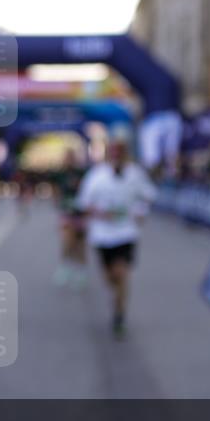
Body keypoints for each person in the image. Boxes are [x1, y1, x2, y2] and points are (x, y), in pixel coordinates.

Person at [75, 137, 156, 338]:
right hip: (102, 235)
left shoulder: (135, 174)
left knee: (121, 273)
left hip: (126, 233)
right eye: (113, 151)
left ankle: (119, 314)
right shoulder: (96, 175)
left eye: (120, 151)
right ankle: (117, 297)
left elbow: (149, 195)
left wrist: (140, 211)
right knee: (110, 277)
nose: (116, 155)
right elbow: (84, 203)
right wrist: (100, 214)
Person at [50, 148, 89, 290]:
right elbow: (55, 188)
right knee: (67, 239)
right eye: (67, 157)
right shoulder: (60, 174)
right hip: (67, 212)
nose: (69, 160)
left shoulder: (82, 173)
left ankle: (81, 270)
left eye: (71, 157)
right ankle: (64, 267)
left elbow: (89, 189)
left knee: (79, 244)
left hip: (81, 213)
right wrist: (57, 199)